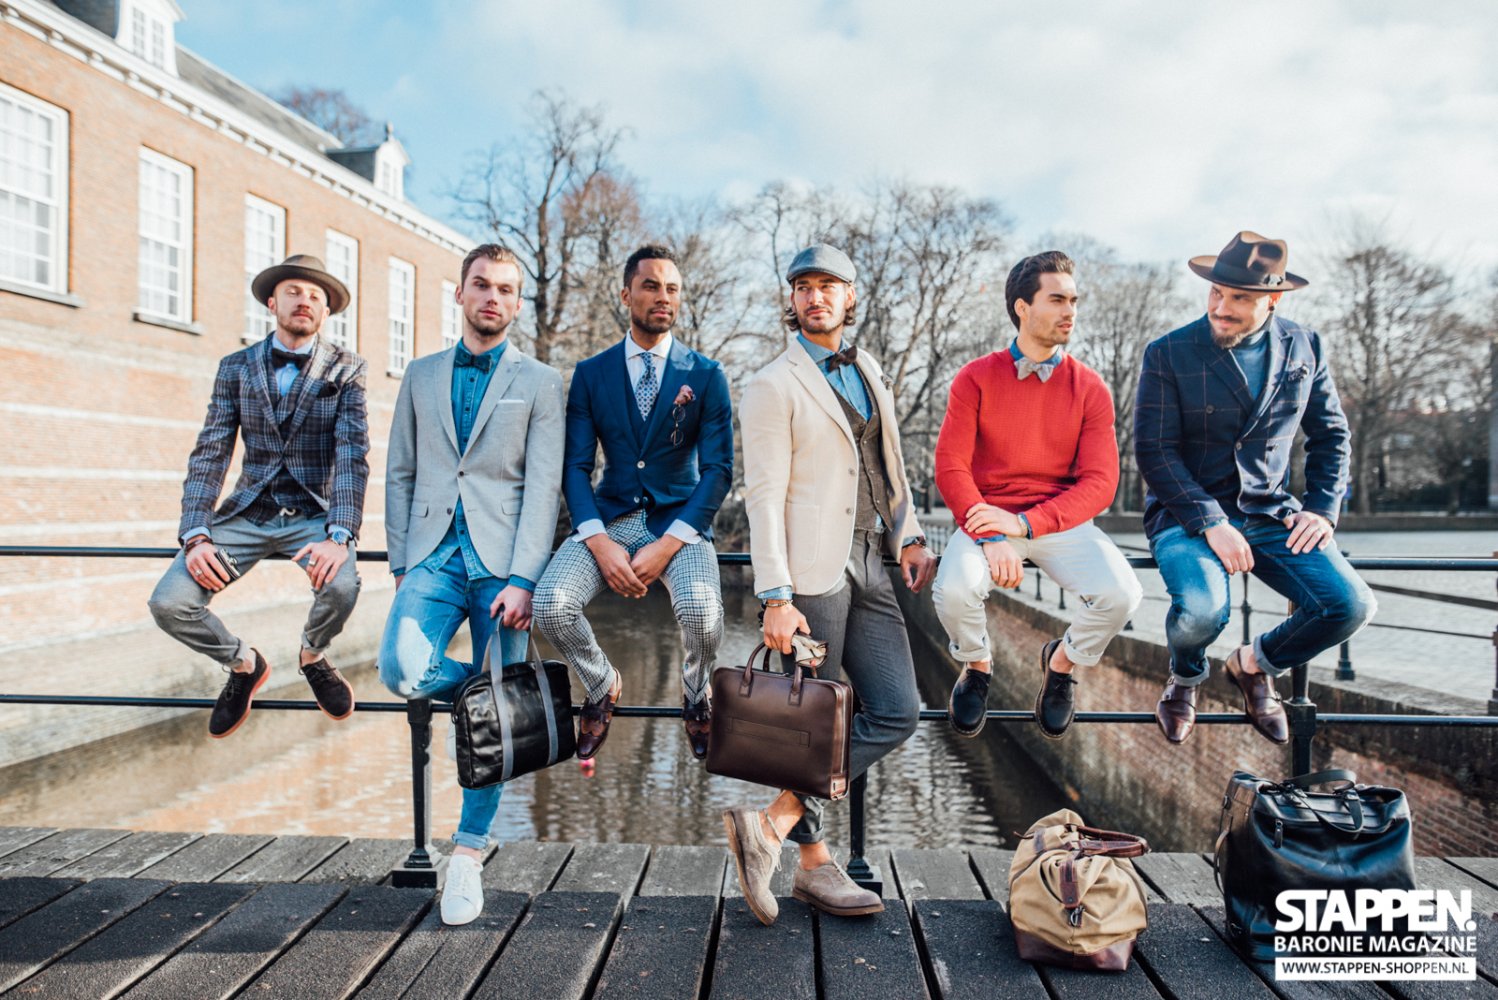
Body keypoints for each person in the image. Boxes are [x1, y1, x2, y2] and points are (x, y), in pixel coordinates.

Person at [728, 242, 936, 926]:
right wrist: (775, 595)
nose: (816, 296)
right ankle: (815, 866)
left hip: (874, 560)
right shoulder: (771, 384)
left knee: (897, 710)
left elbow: (890, 465)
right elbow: (763, 496)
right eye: (804, 287)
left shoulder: (869, 368)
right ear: (792, 300)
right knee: (810, 723)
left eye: (829, 285)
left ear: (850, 296)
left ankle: (772, 822)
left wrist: (908, 535)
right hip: (812, 570)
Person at [378, 243, 563, 925]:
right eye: (481, 285)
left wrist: (525, 578)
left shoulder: (542, 382)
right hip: (431, 555)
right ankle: (498, 701)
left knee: (497, 712)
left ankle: (466, 854)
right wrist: (403, 562)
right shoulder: (420, 374)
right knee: (401, 667)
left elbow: (542, 487)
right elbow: (399, 470)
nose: (492, 297)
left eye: (506, 289)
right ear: (460, 294)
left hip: (503, 565)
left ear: (517, 304)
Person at [1135, 231, 1375, 745]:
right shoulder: (1169, 352)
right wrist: (1210, 522)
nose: (1221, 308)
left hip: (1270, 511)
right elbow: (1155, 451)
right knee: (1203, 611)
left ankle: (1253, 666)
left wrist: (1322, 510)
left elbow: (1331, 436)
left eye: (1239, 298)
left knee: (1351, 605)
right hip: (1185, 513)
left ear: (1273, 300)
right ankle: (1185, 677)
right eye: (1216, 292)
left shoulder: (1306, 346)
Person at [148, 254, 368, 739]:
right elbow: (211, 453)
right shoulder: (235, 367)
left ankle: (313, 655)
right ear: (272, 302)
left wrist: (340, 535)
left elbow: (352, 454)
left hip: (313, 515)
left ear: (326, 311)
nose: (304, 301)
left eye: (315, 296)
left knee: (342, 586)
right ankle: (244, 664)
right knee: (169, 603)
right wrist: (196, 534)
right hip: (249, 513)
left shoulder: (348, 369)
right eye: (294, 292)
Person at [533, 245, 733, 761]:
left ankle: (696, 691)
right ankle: (601, 683)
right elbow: (575, 468)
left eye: (672, 288)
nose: (663, 297)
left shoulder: (706, 375)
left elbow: (719, 472)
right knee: (550, 604)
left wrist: (668, 546)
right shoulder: (591, 374)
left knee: (703, 613)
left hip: (680, 522)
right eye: (651, 286)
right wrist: (598, 542)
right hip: (609, 517)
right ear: (626, 295)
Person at [932, 251, 1142, 740]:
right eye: (1057, 300)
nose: (1071, 311)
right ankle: (977, 665)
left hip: (1059, 521)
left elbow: (1101, 483)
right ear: (1022, 308)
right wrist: (991, 534)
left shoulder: (1090, 387)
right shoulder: (975, 377)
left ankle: (1061, 663)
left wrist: (1026, 524)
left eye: (1074, 301)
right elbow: (950, 467)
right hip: (987, 518)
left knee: (1122, 595)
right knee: (954, 589)